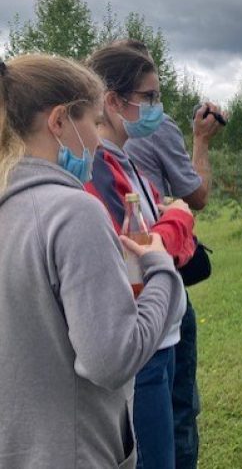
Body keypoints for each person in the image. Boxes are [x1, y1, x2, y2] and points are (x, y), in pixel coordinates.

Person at [0, 55, 185, 468]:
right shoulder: (72, 212)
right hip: (76, 452)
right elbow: (112, 359)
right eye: (94, 122)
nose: (99, 142)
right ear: (60, 121)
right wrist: (161, 271)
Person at [85, 42, 196, 469]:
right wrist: (179, 221)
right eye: (148, 98)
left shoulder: (124, 162)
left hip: (162, 337)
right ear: (112, 102)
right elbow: (135, 254)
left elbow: (170, 251)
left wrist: (168, 234)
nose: (157, 107)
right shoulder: (99, 169)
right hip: (143, 350)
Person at [124, 40, 226, 469]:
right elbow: (197, 196)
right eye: (150, 96)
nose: (156, 105)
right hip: (158, 290)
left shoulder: (81, 135)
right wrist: (200, 140)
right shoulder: (159, 126)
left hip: (113, 298)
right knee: (178, 409)